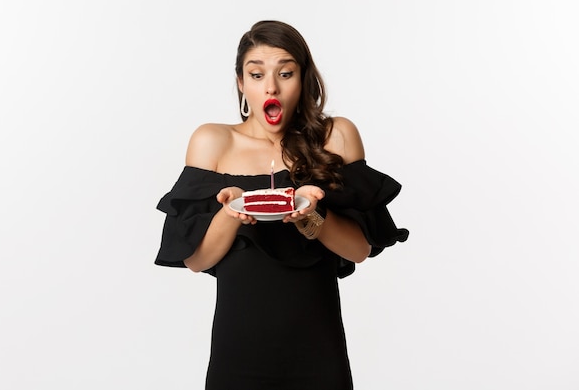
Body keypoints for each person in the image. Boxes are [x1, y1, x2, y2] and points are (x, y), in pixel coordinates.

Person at [155, 20, 409, 390]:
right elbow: (197, 261)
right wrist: (231, 212)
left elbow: (358, 250)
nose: (270, 86)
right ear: (241, 83)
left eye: (285, 73)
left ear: (303, 79)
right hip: (238, 352)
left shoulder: (336, 136)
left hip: (318, 352)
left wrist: (311, 218)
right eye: (256, 75)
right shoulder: (212, 141)